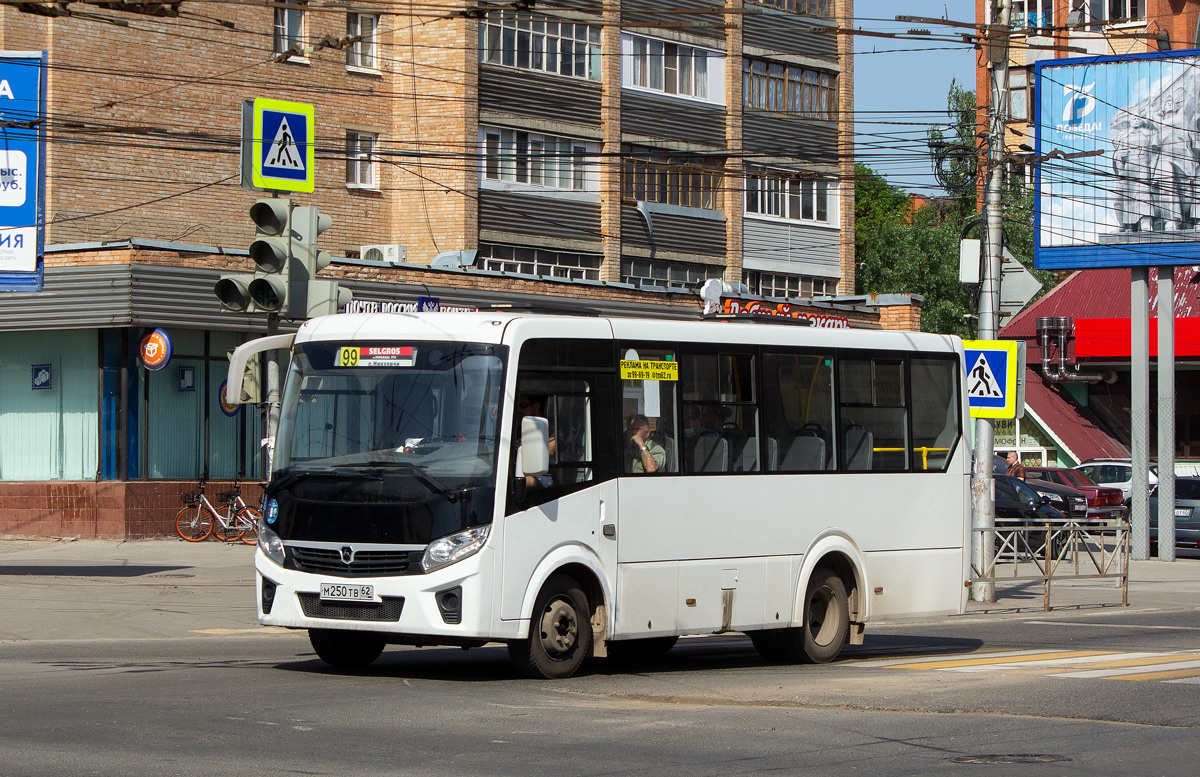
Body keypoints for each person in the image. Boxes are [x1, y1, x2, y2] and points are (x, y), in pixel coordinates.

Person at [516, 393, 554, 488]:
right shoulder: (517, 429)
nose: (519, 410)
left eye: (523, 405)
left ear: (536, 406)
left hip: (545, 477)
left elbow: (550, 450)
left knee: (516, 483)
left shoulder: (553, 430)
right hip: (520, 472)